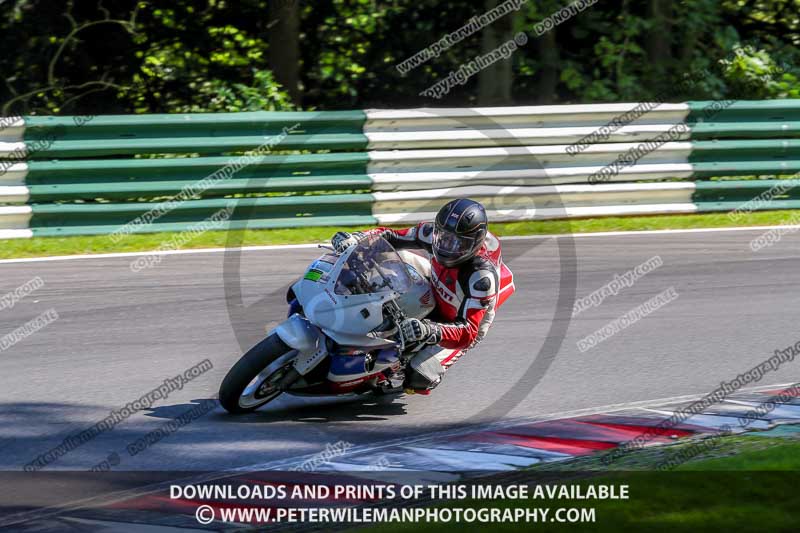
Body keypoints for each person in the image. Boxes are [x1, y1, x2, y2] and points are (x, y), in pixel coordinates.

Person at [331, 198, 514, 395]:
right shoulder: (431, 233)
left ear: (475, 243)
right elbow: (389, 236)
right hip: (437, 281)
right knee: (382, 258)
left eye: (457, 243)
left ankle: (391, 370)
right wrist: (357, 239)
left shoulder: (481, 278)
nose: (446, 246)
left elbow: (468, 333)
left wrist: (429, 329)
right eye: (443, 237)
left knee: (418, 376)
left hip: (463, 318)